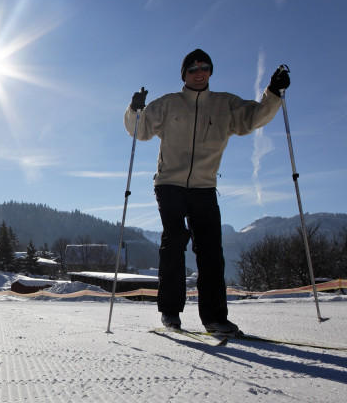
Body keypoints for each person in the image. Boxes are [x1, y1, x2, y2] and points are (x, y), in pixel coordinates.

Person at [124, 49, 290, 334]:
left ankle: (215, 318)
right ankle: (170, 312)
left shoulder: (225, 104)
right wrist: (134, 108)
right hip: (169, 184)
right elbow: (139, 130)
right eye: (193, 69)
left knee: (211, 250)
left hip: (205, 186)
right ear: (184, 75)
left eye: (205, 67)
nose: (200, 73)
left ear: (211, 71)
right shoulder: (168, 104)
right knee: (175, 239)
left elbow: (255, 118)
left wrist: (273, 91)